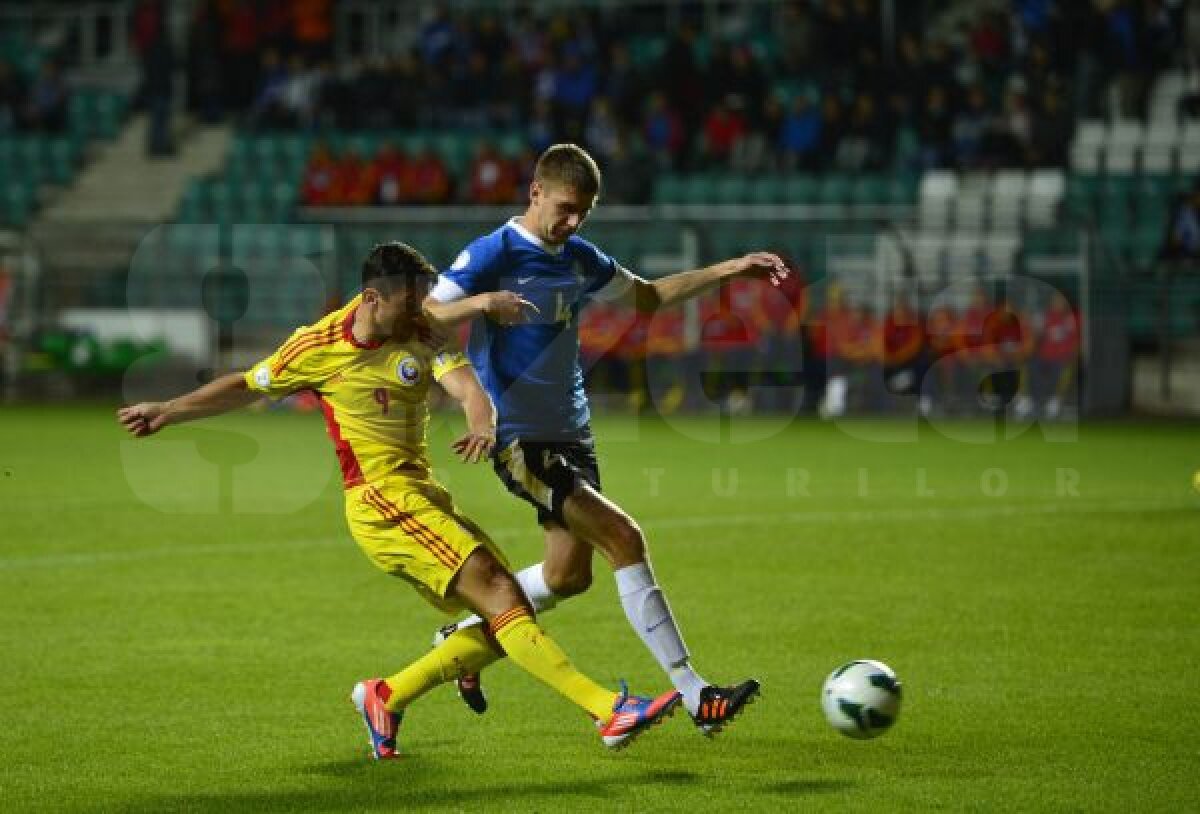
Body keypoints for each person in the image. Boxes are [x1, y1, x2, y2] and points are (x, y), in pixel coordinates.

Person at [116, 242, 680, 759]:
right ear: (371, 299)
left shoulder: (420, 332)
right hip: (380, 501)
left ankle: (387, 694)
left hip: (422, 495)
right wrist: (169, 410)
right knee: (502, 593)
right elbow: (245, 386)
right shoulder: (317, 347)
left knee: (510, 611)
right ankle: (607, 710)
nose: (421, 313)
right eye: (410, 302)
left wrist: (482, 418)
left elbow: (464, 385)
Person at [422, 144, 787, 734]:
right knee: (624, 536)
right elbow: (425, 315)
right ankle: (699, 697)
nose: (572, 223)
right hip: (521, 439)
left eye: (583, 213)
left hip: (574, 433)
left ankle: (466, 634)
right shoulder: (494, 252)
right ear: (536, 192)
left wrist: (727, 269)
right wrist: (482, 303)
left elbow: (648, 296)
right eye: (565, 208)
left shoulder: (580, 257)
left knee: (568, 576)